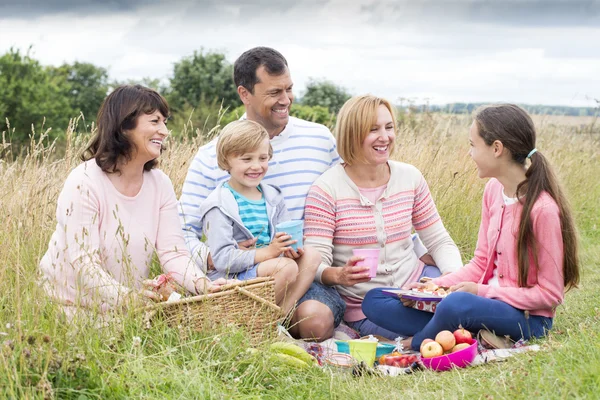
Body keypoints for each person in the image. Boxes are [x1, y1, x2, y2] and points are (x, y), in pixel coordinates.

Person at [362, 104, 580, 350]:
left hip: (527, 318)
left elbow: (551, 295)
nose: (469, 153)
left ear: (496, 148)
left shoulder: (542, 209)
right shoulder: (493, 191)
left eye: (473, 145)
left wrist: (480, 292)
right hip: (477, 308)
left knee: (457, 305)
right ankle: (470, 334)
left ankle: (418, 342)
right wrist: (437, 285)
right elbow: (480, 262)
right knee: (375, 300)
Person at [179, 46, 345, 340]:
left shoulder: (319, 139)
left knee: (316, 322)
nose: (286, 100)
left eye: (289, 89)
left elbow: (346, 202)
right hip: (243, 273)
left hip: (300, 275)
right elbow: (182, 231)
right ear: (245, 94)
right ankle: (254, 324)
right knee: (294, 298)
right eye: (274, 92)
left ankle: (268, 325)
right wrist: (213, 258)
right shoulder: (211, 156)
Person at [39, 85, 228, 317]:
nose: (165, 131)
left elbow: (174, 253)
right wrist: (128, 299)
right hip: (72, 308)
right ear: (124, 125)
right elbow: (84, 263)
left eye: (165, 122)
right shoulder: (84, 181)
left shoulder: (160, 183)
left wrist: (203, 285)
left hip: (127, 310)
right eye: (155, 121)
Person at [304, 95, 463, 339]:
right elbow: (314, 264)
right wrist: (339, 275)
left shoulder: (410, 177)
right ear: (352, 134)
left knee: (474, 292)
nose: (385, 137)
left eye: (389, 127)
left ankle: (453, 318)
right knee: (444, 326)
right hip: (369, 306)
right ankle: (450, 326)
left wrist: (451, 282)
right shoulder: (326, 190)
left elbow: (439, 241)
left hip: (419, 285)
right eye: (373, 130)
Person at [198, 120, 321, 315]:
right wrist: (269, 253)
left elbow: (282, 239)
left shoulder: (273, 197)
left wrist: (290, 248)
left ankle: (279, 319)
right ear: (225, 161)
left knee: (312, 255)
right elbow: (222, 259)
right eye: (246, 159)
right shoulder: (218, 204)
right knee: (286, 267)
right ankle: (260, 321)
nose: (256, 166)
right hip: (235, 277)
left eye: (263, 158)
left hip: (271, 268)